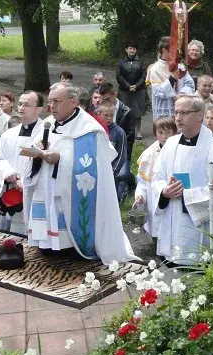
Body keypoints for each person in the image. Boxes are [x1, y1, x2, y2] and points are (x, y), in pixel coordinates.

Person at [23, 82, 136, 264]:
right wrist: (37, 152)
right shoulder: (48, 124)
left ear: (73, 101)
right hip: (46, 186)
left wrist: (60, 159)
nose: (51, 106)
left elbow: (93, 170)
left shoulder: (89, 130)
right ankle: (48, 244)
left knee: (72, 235)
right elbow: (35, 151)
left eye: (57, 101)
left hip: (70, 191)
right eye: (50, 101)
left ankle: (72, 246)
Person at [152, 94, 213, 265]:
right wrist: (164, 191)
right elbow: (158, 177)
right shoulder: (170, 144)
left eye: (184, 113)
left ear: (199, 115)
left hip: (199, 227)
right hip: (172, 221)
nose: (178, 118)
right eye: (176, 113)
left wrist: (186, 196)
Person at [0, 90, 45, 234]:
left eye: (27, 105)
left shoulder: (45, 134)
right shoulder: (8, 135)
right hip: (14, 192)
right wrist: (8, 172)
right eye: (20, 104)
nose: (21, 108)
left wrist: (26, 181)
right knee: (15, 235)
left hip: (37, 193)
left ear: (39, 109)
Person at [134, 116, 178, 238]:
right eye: (161, 132)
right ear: (155, 134)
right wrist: (140, 195)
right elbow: (142, 181)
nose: (164, 136)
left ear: (175, 132)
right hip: (154, 196)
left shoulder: (180, 150)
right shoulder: (149, 154)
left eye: (168, 132)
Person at [147, 36, 196, 119]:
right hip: (164, 108)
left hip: (181, 107)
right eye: (173, 50)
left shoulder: (180, 66)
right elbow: (158, 92)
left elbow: (190, 84)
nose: (176, 53)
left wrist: (182, 94)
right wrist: (172, 79)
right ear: (164, 50)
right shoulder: (155, 69)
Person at [97, 100, 130, 203]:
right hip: (96, 170)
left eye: (111, 115)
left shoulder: (119, 132)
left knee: (111, 200)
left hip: (111, 172)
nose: (109, 118)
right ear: (98, 114)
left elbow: (122, 155)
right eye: (106, 115)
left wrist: (113, 170)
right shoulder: (95, 130)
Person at [116, 42, 147, 140]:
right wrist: (128, 86)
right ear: (126, 49)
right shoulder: (121, 62)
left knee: (138, 112)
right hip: (125, 90)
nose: (132, 50)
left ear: (136, 50)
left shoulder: (141, 61)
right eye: (130, 48)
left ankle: (138, 131)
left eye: (134, 49)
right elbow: (119, 76)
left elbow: (144, 75)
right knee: (125, 111)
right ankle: (125, 130)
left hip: (139, 90)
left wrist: (136, 86)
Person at [99, 83, 135, 161]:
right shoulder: (98, 110)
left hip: (119, 150)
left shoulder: (127, 112)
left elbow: (130, 138)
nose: (106, 102)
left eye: (108, 99)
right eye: (103, 100)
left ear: (115, 95)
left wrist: (124, 157)